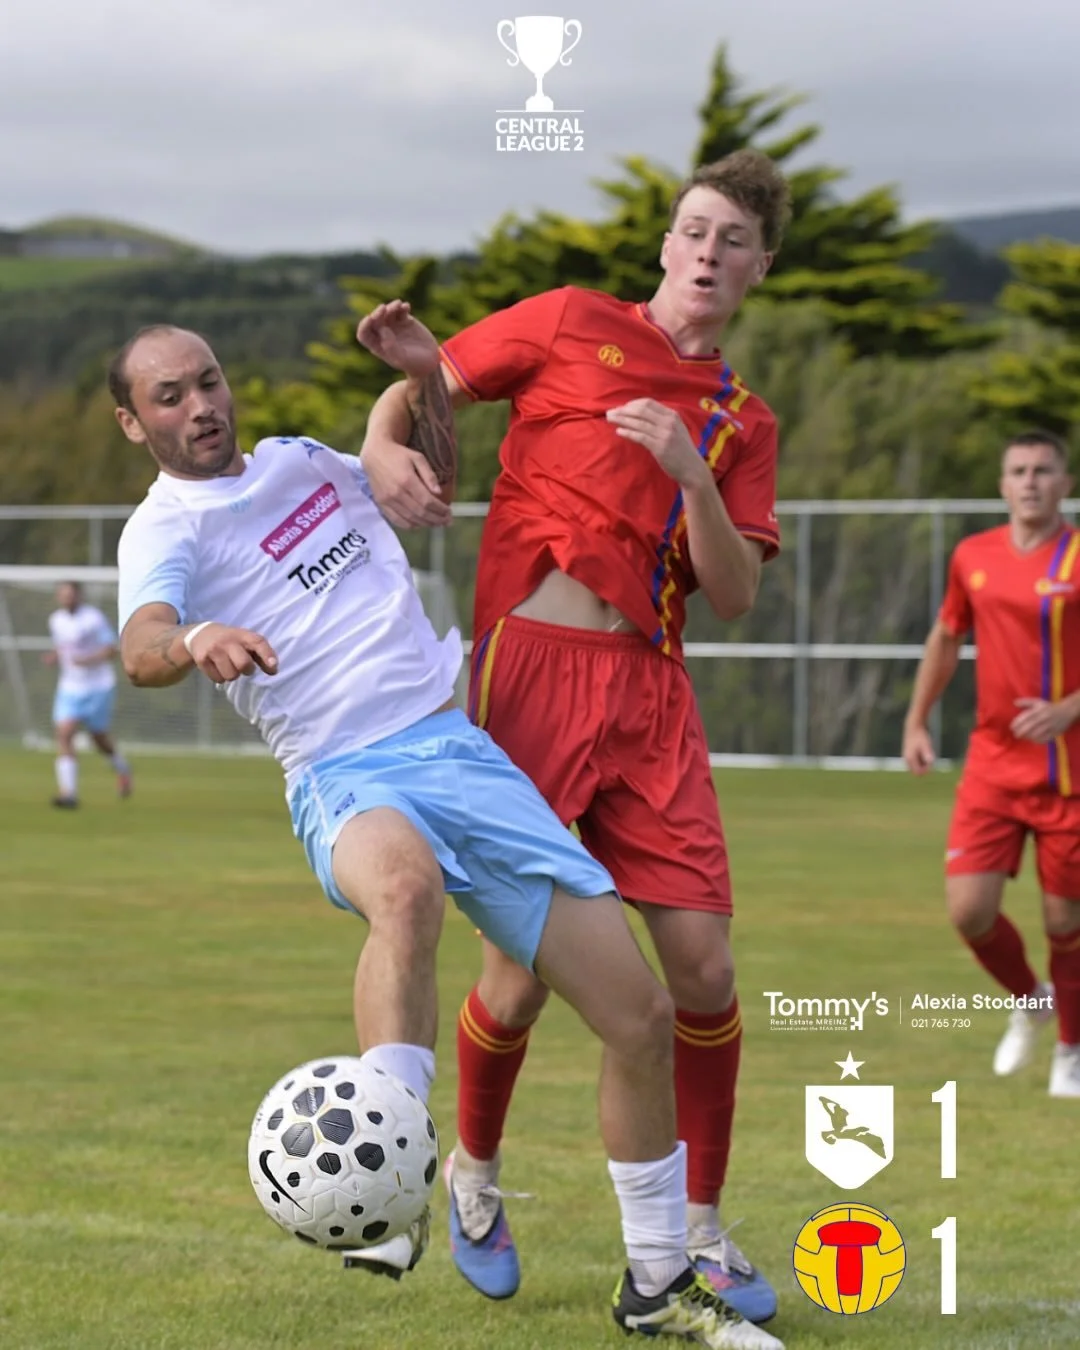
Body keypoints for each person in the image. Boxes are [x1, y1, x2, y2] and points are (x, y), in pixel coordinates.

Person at [110, 321, 784, 1350]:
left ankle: (656, 1283)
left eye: (207, 381)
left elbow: (427, 479)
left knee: (642, 1016)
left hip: (461, 753)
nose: (199, 406)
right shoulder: (166, 528)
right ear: (133, 422)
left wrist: (422, 384)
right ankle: (393, 1178)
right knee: (406, 890)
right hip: (342, 771)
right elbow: (143, 643)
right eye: (168, 397)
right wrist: (197, 637)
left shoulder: (302, 464)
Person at [357, 149, 788, 1323]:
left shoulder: (744, 421)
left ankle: (697, 1231)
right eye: (694, 230)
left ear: (758, 268)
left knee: (704, 971)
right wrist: (385, 440)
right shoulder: (567, 324)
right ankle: (477, 1178)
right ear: (666, 245)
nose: (708, 253)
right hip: (529, 679)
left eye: (733, 241)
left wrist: (692, 474)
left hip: (650, 695)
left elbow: (737, 593)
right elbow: (424, 381)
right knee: (523, 976)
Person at [903, 430, 1080, 1099]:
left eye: (1043, 470)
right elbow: (948, 636)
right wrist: (917, 720)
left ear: (1065, 483)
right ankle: (1032, 999)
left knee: (1066, 922)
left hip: (1069, 771)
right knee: (969, 912)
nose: (1030, 481)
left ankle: (1071, 1047)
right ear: (1003, 485)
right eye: (1018, 471)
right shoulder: (973, 556)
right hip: (992, 768)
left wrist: (1068, 709)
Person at [44, 579, 132, 808]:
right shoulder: (56, 620)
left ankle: (122, 768)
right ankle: (68, 793)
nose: (66, 598)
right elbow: (62, 646)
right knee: (64, 733)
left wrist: (87, 660)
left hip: (98, 686)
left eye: (70, 594)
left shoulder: (93, 618)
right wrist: (54, 656)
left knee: (98, 738)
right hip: (69, 687)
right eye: (62, 594)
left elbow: (110, 649)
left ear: (79, 596)